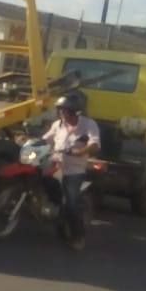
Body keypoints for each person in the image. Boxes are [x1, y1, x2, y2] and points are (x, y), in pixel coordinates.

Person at [42, 92, 101, 248]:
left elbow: (94, 144)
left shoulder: (88, 124)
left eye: (65, 110)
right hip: (54, 164)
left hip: (74, 170)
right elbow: (46, 140)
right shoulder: (57, 125)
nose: (61, 112)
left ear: (75, 111)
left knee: (71, 203)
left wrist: (79, 152)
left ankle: (78, 236)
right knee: (38, 179)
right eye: (60, 109)